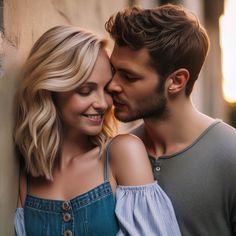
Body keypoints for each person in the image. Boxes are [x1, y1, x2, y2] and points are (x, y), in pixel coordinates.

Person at [13, 25, 181, 236]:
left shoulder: (122, 153)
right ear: (50, 91)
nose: (103, 103)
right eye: (86, 91)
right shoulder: (27, 174)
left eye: (106, 89)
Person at [105, 3, 236, 236]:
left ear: (176, 81)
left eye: (129, 76)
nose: (112, 85)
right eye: (113, 70)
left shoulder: (231, 154)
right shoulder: (114, 152)